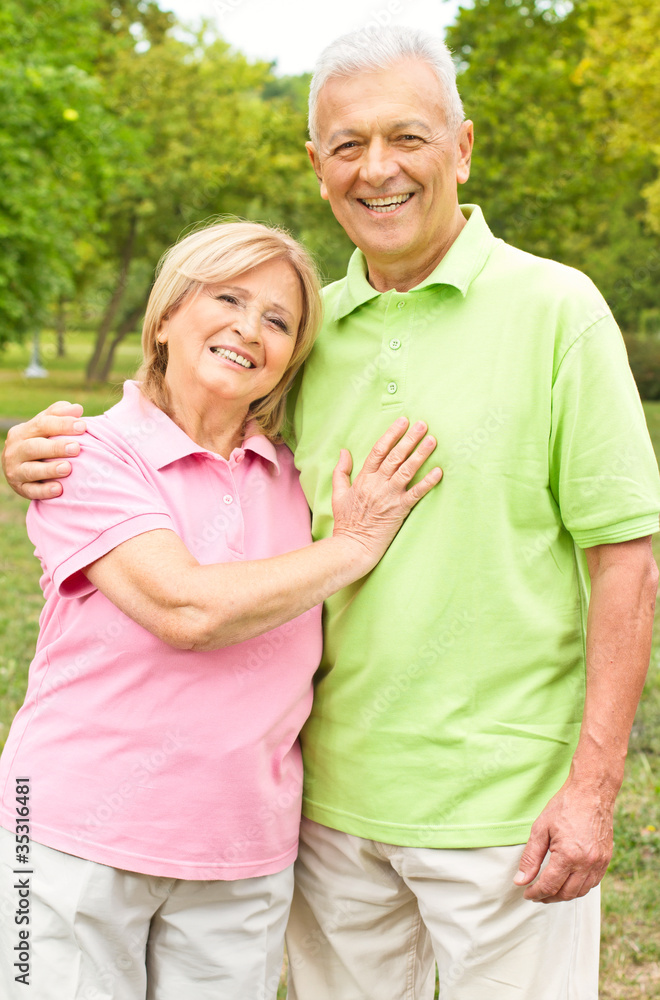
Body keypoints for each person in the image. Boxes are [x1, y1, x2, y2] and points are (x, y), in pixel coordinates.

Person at [4, 24, 660, 1000]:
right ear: (317, 166)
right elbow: (186, 527)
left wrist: (595, 788)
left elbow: (628, 561)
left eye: (408, 137)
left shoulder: (556, 310)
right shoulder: (309, 343)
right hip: (312, 819)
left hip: (500, 812)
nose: (378, 168)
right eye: (348, 145)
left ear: (463, 146)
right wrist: (29, 448)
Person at [0, 219, 442, 1000]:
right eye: (228, 297)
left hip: (241, 853)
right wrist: (354, 546)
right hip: (72, 837)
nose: (250, 328)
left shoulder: (295, 473)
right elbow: (187, 610)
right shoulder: (88, 452)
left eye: (278, 321)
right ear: (166, 315)